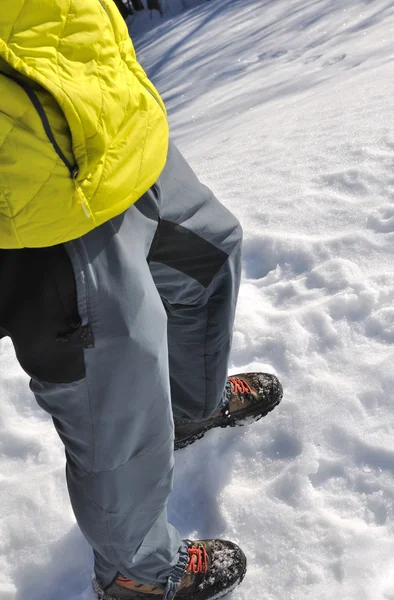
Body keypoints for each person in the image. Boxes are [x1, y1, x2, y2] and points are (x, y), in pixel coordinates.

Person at [0, 1, 283, 599]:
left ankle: (187, 412)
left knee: (209, 258)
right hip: (30, 208)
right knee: (117, 393)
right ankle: (140, 576)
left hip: (109, 120)